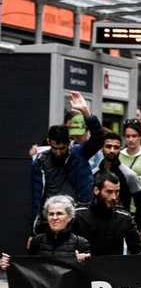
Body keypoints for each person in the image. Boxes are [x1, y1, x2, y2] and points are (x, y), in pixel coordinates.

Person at [31, 91, 105, 229]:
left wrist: (86, 113)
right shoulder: (40, 163)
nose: (58, 152)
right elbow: (36, 198)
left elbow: (98, 139)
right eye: (55, 148)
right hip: (51, 219)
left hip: (79, 217)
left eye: (62, 148)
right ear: (49, 142)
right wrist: (33, 230)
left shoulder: (78, 153)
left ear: (69, 142)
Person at [1, 196, 90, 270]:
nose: (54, 218)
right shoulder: (36, 241)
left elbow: (90, 274)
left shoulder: (81, 243)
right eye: (51, 214)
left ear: (69, 217)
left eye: (59, 214)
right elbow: (29, 270)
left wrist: (85, 260)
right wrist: (10, 263)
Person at [71, 172, 141, 256]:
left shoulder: (124, 218)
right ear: (96, 190)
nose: (114, 197)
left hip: (113, 267)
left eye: (116, 192)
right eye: (109, 192)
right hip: (83, 266)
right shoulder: (78, 215)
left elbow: (138, 250)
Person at [93, 132, 141, 230]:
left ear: (120, 149)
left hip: (119, 227)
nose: (112, 150)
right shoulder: (94, 173)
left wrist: (133, 229)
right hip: (95, 225)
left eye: (116, 147)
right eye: (108, 146)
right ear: (102, 148)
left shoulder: (129, 175)